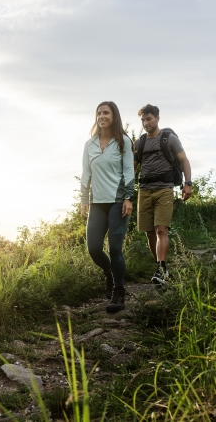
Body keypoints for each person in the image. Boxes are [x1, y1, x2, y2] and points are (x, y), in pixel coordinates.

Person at [80, 101, 135, 313]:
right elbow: (86, 173)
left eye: (106, 113)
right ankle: (110, 273)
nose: (102, 116)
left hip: (118, 201)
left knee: (114, 247)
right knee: (93, 248)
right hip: (97, 203)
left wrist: (128, 197)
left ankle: (119, 292)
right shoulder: (89, 144)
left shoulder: (123, 142)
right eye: (99, 113)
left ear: (114, 116)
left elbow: (129, 172)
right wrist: (84, 199)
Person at [134, 104, 192, 285]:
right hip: (144, 190)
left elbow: (184, 160)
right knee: (149, 232)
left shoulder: (169, 139)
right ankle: (161, 268)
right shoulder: (140, 143)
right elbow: (132, 169)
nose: (146, 123)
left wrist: (188, 184)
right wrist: (125, 192)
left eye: (149, 118)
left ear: (158, 118)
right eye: (143, 120)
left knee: (161, 229)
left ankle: (161, 268)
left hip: (164, 189)